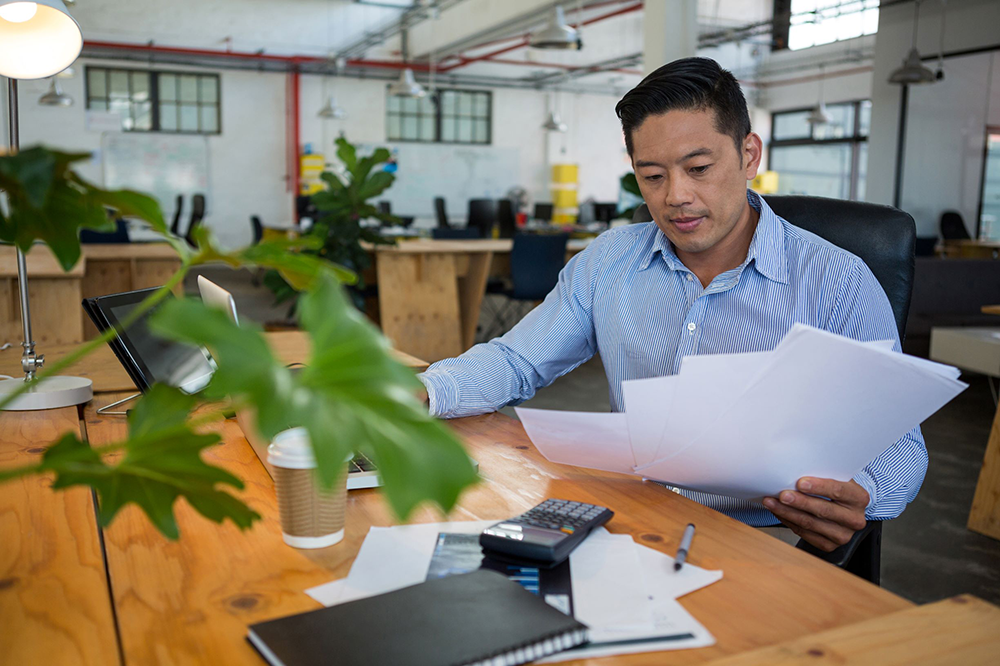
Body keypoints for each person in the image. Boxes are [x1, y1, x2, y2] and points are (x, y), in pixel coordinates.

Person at [418, 57, 927, 552]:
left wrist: (861, 494)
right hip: (634, 518)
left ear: (750, 155)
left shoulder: (836, 280)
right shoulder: (611, 261)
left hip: (765, 537)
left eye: (699, 167)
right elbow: (517, 359)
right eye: (652, 176)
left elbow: (899, 446)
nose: (676, 196)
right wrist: (420, 392)